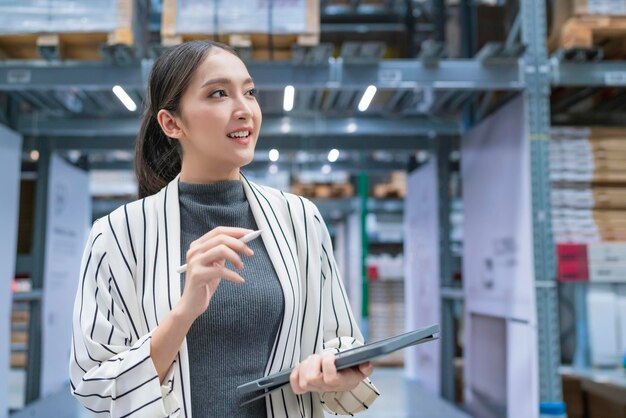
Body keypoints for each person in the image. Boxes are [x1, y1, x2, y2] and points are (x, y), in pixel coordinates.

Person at [69, 40, 379, 418]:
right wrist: (185, 310)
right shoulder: (117, 236)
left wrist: (338, 368)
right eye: (219, 93)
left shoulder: (301, 219)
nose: (245, 109)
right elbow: (94, 384)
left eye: (249, 92)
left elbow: (341, 343)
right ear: (171, 123)